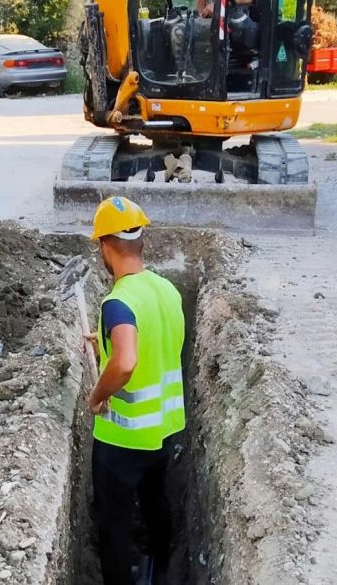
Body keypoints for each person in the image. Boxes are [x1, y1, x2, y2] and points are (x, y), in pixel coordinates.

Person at [85, 196, 186, 585]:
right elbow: (153, 339)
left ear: (106, 246)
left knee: (114, 522)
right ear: (140, 241)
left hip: (122, 440)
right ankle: (160, 571)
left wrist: (97, 395)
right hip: (161, 430)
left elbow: (125, 363)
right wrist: (104, 340)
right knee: (156, 502)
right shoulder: (165, 290)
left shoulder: (119, 302)